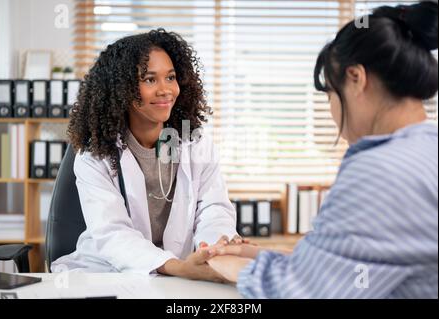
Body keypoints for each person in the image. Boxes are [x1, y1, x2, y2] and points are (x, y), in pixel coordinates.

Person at [204, 1, 439, 298]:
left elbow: (302, 292)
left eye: (330, 93)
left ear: (356, 78)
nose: (331, 109)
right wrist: (259, 254)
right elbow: (357, 263)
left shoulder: (380, 170)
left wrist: (221, 262)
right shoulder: (426, 150)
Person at [51, 29, 243, 280]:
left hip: (182, 273)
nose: (165, 90)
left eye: (171, 77)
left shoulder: (194, 143)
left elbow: (213, 208)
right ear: (122, 88)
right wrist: (178, 267)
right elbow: (112, 233)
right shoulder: (95, 154)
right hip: (109, 272)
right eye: (150, 80)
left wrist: (213, 249)